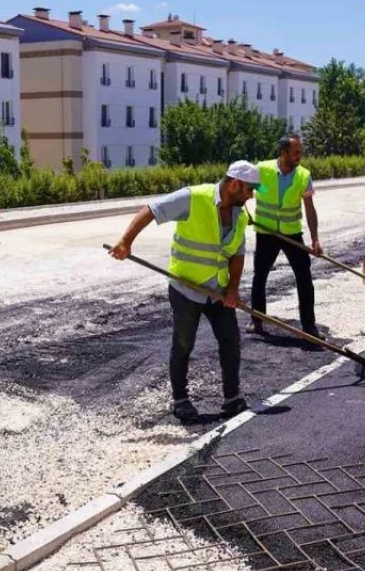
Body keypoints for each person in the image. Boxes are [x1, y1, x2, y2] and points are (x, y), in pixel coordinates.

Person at [109, 160, 260, 422]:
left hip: (219, 290)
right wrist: (126, 241)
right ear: (235, 184)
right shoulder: (194, 197)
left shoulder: (241, 214)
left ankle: (232, 398)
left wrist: (233, 290)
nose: (251, 195)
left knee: (230, 341)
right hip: (185, 289)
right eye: (250, 189)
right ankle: (180, 400)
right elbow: (152, 210)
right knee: (182, 344)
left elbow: (237, 254)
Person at [249, 135, 322, 338]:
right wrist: (262, 192)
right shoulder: (262, 169)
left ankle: (308, 326)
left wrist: (315, 239)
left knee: (304, 277)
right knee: (260, 276)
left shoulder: (303, 176)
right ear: (283, 153)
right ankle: (257, 320)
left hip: (291, 233)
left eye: (300, 152)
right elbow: (250, 188)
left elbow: (310, 209)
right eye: (296, 152)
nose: (300, 156)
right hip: (266, 233)